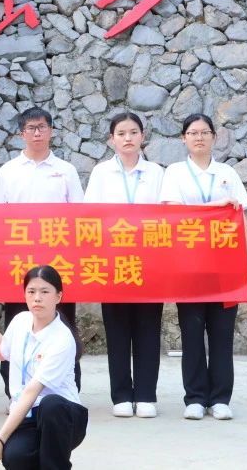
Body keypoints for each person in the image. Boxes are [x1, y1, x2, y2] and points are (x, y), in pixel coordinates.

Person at [159, 113, 247, 422]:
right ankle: (195, 398)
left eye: (204, 132)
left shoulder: (227, 173)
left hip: (225, 266)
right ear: (183, 138)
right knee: (191, 332)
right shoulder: (175, 173)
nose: (199, 137)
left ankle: (220, 398)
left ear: (214, 137)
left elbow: (240, 218)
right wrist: (216, 207)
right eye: (192, 132)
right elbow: (175, 214)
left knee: (222, 334)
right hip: (188, 265)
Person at [0, 107, 84, 393]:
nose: (37, 133)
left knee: (63, 323)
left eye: (42, 127)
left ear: (51, 131)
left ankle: (67, 389)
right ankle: (15, 392)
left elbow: (80, 217)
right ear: (22, 133)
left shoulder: (66, 170)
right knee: (17, 325)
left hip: (58, 264)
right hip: (18, 265)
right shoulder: (8, 171)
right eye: (31, 128)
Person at [84, 112, 166, 419]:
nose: (128, 138)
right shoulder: (101, 173)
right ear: (111, 140)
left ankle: (145, 394)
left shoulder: (156, 173)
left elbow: (167, 215)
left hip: (150, 263)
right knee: (117, 329)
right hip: (112, 262)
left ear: (143, 137)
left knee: (148, 328)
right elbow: (90, 216)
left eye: (133, 132)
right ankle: (120, 395)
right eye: (121, 133)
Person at [0, 266, 87, 470]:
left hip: (64, 419)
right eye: (31, 291)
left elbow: (32, 391)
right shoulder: (20, 321)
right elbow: (1, 351)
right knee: (15, 457)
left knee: (51, 404)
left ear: (58, 296)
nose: (37, 298)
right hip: (29, 415)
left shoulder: (62, 339)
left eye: (45, 292)